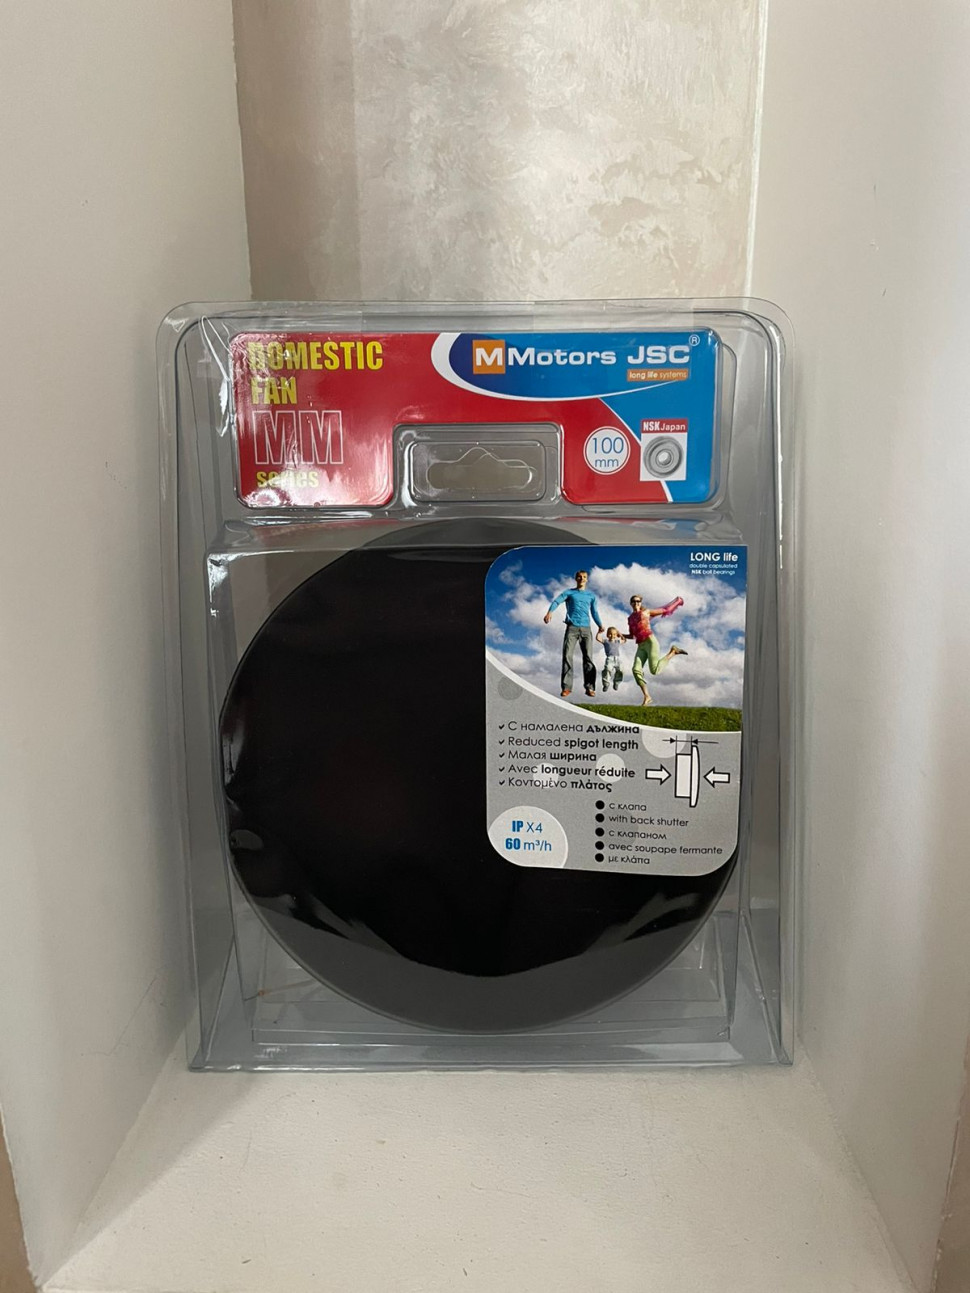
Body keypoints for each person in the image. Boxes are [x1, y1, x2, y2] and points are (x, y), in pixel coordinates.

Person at [543, 570, 603, 697]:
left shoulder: (591, 596)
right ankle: (566, 687)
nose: (582, 578)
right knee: (567, 656)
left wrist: (600, 625)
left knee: (588, 658)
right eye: (579, 577)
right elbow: (557, 601)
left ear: (587, 579)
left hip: (586, 629)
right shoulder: (569, 593)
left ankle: (590, 687)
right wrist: (550, 612)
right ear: (576, 578)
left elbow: (594, 612)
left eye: (584, 577)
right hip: (572, 628)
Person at [624, 594, 687, 706]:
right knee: (636, 670)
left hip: (650, 642)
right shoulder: (630, 619)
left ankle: (673, 652)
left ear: (640, 603)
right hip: (640, 645)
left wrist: (677, 602)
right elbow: (632, 635)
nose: (636, 603)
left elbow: (665, 610)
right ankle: (647, 696)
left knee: (655, 670)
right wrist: (620, 634)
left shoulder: (646, 612)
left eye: (638, 601)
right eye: (633, 601)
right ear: (631, 603)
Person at [596, 626, 624, 692]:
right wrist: (599, 632)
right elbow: (598, 638)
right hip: (609, 658)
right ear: (607, 635)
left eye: (614, 634)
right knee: (607, 669)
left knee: (620, 670)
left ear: (616, 635)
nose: (612, 636)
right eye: (610, 634)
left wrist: (620, 634)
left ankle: (616, 683)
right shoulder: (606, 642)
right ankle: (606, 684)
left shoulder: (617, 641)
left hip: (617, 659)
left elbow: (624, 640)